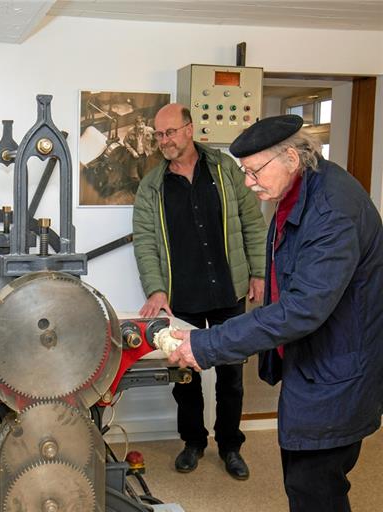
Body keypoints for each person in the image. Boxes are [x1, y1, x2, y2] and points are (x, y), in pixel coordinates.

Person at [169, 114, 383, 511]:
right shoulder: (300, 189)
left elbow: (302, 308)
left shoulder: (332, 210)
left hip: (337, 374)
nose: (249, 184)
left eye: (253, 172)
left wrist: (208, 343)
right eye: (244, 173)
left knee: (314, 489)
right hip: (315, 367)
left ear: (290, 156)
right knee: (303, 483)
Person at [132, 103, 267, 480]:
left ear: (190, 129)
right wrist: (156, 289)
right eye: (159, 134)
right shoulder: (153, 186)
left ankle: (230, 446)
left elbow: (252, 223)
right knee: (184, 377)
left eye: (170, 132)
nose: (164, 141)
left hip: (228, 290)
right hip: (182, 296)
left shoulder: (225, 170)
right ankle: (193, 443)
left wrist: (258, 271)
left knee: (232, 377)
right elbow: (144, 242)